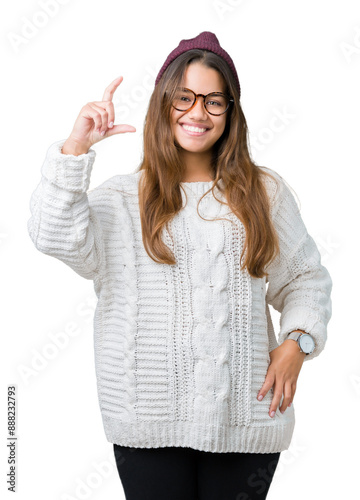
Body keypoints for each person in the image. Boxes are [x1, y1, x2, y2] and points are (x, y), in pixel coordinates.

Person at [27, 31, 333, 499]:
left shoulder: (264, 194)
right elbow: (51, 234)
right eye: (184, 98)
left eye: (214, 101)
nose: (197, 112)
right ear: (163, 104)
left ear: (230, 111)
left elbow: (304, 279)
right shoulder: (121, 201)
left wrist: (297, 343)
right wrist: (75, 149)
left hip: (246, 417)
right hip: (146, 422)